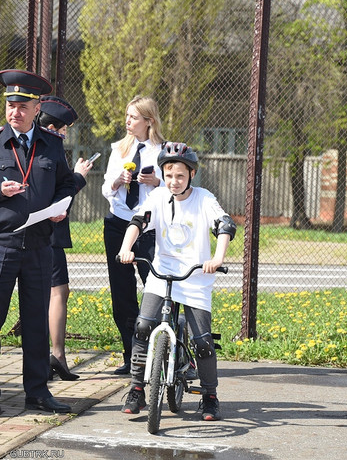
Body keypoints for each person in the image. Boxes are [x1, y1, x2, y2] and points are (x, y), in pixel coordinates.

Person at [0, 69, 75, 415]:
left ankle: (38, 392)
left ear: (37, 107)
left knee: (36, 322)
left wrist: (61, 207)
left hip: (40, 244)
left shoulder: (52, 144)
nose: (15, 112)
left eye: (23, 106)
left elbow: (67, 184)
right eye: (11, 105)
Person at [117, 142, 235, 421]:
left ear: (191, 175)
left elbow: (224, 225)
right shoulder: (157, 197)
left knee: (203, 342)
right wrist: (126, 248)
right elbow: (138, 220)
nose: (173, 181)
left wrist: (217, 258)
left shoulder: (204, 198)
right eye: (168, 175)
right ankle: (136, 389)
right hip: (162, 273)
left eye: (180, 176)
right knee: (143, 327)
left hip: (196, 276)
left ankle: (210, 396)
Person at [102, 96, 164, 374]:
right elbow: (106, 187)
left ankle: (161, 352)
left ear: (148, 121)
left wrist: (156, 181)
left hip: (148, 227)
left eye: (134, 117)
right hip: (118, 222)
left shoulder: (161, 150)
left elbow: (176, 187)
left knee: (155, 288)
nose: (127, 121)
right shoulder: (119, 148)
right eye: (126, 116)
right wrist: (118, 181)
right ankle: (132, 356)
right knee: (122, 292)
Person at [36, 96, 92, 381]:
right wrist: (79, 177)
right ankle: (55, 356)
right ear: (51, 127)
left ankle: (52, 356)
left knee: (56, 291)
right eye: (62, 129)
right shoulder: (47, 149)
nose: (65, 134)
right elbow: (59, 194)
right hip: (47, 231)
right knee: (56, 292)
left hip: (46, 230)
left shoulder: (37, 146)